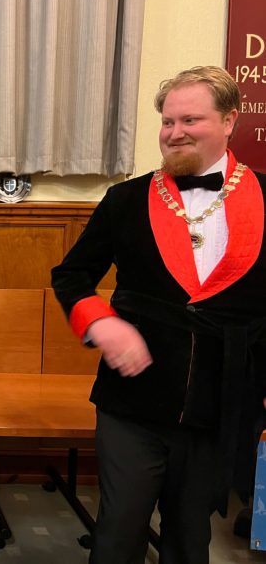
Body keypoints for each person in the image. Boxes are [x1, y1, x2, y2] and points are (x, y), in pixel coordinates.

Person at [51, 65, 266, 564]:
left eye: (190, 119)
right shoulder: (124, 200)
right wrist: (101, 323)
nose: (175, 133)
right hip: (132, 404)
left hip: (222, 402)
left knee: (191, 540)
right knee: (117, 535)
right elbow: (72, 276)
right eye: (167, 122)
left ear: (230, 120)